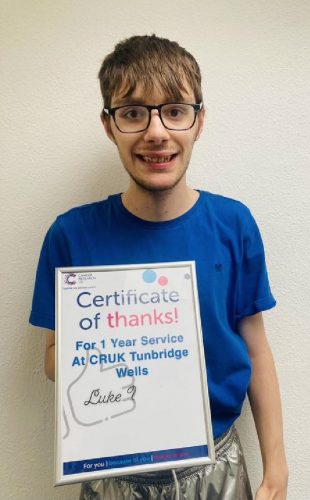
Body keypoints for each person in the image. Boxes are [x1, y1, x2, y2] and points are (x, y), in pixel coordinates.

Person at [30, 35, 288, 499]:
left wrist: (277, 468)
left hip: (218, 463)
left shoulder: (233, 224)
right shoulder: (71, 235)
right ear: (109, 126)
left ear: (199, 120)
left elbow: (256, 349)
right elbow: (51, 361)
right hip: (114, 469)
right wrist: (111, 346)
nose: (156, 132)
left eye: (174, 110)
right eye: (132, 112)